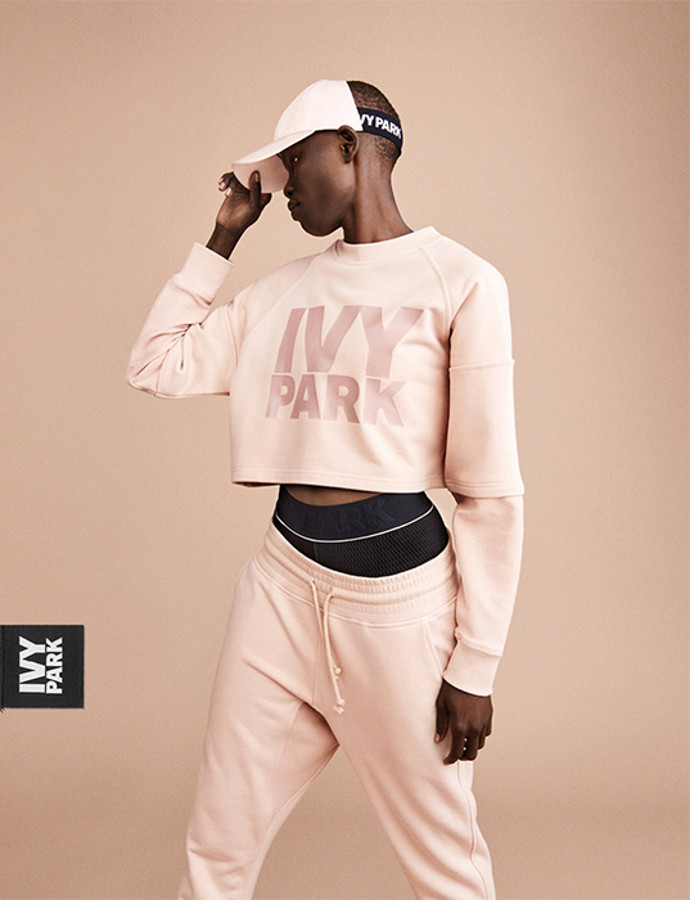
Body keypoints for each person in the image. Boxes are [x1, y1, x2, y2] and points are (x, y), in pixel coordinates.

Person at [126, 79, 525, 900]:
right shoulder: (281, 292)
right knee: (216, 847)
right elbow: (155, 364)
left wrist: (475, 667)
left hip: (399, 610)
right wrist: (222, 237)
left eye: (294, 163)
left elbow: (489, 491)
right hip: (280, 588)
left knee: (446, 868)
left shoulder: (461, 282)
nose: (282, 190)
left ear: (350, 145)